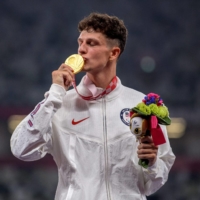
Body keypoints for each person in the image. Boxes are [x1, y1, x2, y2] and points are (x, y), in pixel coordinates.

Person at [11, 12, 175, 200]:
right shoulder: (59, 104)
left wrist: (152, 163)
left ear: (114, 53)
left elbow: (161, 170)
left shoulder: (145, 106)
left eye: (91, 43)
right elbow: (20, 149)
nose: (81, 49)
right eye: (80, 42)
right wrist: (55, 94)